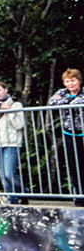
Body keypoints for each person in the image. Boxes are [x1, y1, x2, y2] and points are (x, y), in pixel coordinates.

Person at [48, 67, 84, 204]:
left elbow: (77, 102)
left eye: (73, 81)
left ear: (79, 81)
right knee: (74, 165)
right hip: (69, 132)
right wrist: (69, 100)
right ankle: (79, 195)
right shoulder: (61, 92)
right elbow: (53, 102)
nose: (70, 84)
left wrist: (68, 101)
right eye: (67, 81)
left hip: (82, 131)